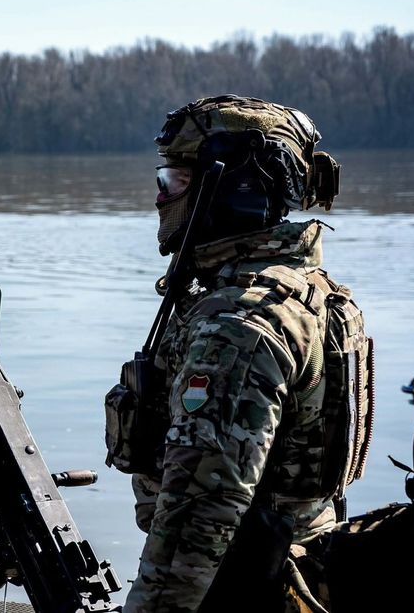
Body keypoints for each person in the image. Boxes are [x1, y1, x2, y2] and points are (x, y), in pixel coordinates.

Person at [104, 95, 372, 613]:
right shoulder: (306, 289)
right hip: (298, 576)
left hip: (239, 590)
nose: (160, 199)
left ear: (230, 189)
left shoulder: (239, 327)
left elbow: (197, 525)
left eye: (175, 181)